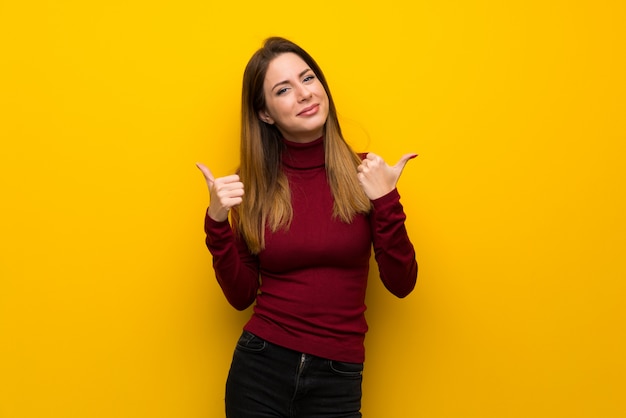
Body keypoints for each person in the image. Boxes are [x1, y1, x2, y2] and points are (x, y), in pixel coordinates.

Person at [197, 37, 418, 418]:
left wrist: (386, 201)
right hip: (260, 368)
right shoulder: (252, 185)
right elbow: (241, 295)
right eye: (283, 89)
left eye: (308, 78)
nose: (303, 94)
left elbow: (402, 283)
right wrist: (217, 223)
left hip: (338, 376)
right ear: (265, 113)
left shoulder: (366, 174)